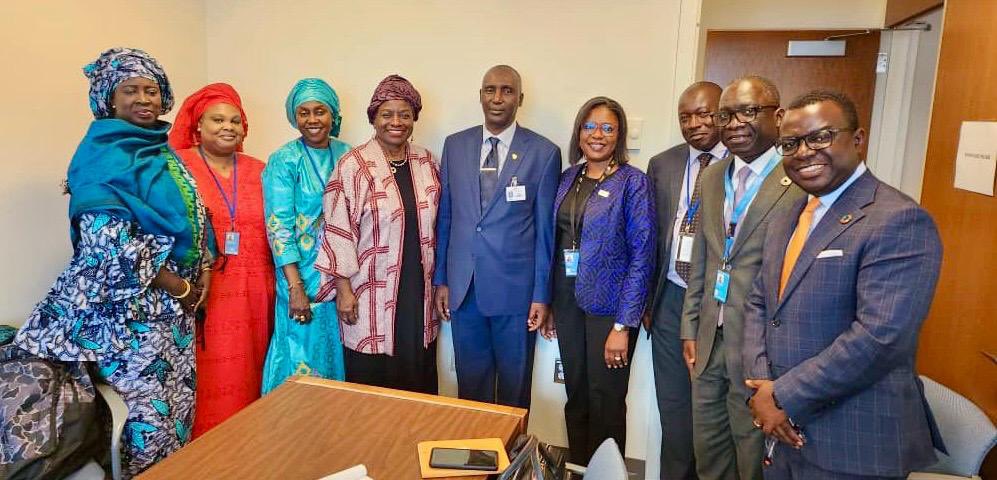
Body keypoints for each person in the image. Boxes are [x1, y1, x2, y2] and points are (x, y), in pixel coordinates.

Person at [14, 47, 212, 477]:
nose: (145, 99)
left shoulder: (159, 149)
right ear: (109, 98)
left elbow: (195, 213)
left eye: (152, 90)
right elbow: (107, 244)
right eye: (131, 90)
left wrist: (204, 270)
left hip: (172, 313)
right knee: (151, 422)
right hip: (129, 316)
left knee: (177, 414)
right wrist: (178, 286)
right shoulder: (101, 155)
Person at [742, 90, 944, 480]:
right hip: (779, 430)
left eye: (820, 137)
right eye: (791, 143)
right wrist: (761, 387)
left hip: (852, 440)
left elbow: (880, 337)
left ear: (857, 139)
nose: (803, 152)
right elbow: (758, 303)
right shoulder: (787, 214)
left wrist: (783, 395)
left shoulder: (898, 220)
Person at [680, 75, 805, 480]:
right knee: (709, 450)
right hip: (708, 342)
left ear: (778, 115)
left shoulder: (799, 179)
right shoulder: (714, 177)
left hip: (760, 349)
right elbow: (703, 256)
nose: (734, 124)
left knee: (753, 457)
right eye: (726, 115)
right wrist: (690, 326)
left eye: (748, 112)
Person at [433, 65, 561, 407]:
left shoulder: (544, 153)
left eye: (507, 90)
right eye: (490, 90)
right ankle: (474, 456)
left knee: (514, 390)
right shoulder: (455, 145)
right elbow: (446, 216)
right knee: (470, 388)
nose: (498, 98)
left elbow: (546, 232)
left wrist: (541, 295)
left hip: (516, 295)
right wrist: (442, 280)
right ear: (480, 96)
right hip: (465, 289)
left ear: (520, 98)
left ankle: (513, 459)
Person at [315, 75, 441, 393]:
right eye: (387, 114)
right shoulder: (353, 165)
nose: (396, 122)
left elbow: (444, 224)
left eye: (404, 114)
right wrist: (343, 290)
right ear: (374, 118)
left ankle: (414, 441)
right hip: (368, 293)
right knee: (372, 388)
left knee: (417, 380)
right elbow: (337, 231)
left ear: (414, 118)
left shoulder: (428, 162)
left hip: (417, 292)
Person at [551, 97, 655, 464]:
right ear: (579, 132)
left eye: (608, 128)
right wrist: (549, 303)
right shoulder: (568, 178)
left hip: (609, 309)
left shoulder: (633, 183)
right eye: (590, 126)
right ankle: (579, 468)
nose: (598, 135)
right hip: (567, 303)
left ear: (619, 135)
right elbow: (559, 242)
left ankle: (607, 473)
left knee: (607, 399)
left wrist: (623, 325)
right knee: (576, 393)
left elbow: (642, 255)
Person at [168, 83, 275, 437]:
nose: (228, 127)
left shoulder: (262, 170)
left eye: (235, 120)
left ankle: (248, 450)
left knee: (252, 371)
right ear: (197, 125)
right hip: (203, 291)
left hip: (259, 289)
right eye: (217, 119)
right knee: (211, 375)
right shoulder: (176, 167)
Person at [645, 81, 726, 480]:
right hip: (671, 299)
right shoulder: (663, 164)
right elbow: (650, 238)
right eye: (685, 117)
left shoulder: (740, 166)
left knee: (713, 415)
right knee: (673, 410)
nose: (694, 124)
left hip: (719, 306)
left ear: (724, 112)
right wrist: (646, 303)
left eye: (705, 113)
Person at [261, 78, 350, 392]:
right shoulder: (284, 160)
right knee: (301, 353)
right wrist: (295, 286)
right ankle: (292, 429)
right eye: (304, 113)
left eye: (320, 111)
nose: (313, 120)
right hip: (299, 275)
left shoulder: (347, 154)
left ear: (333, 114)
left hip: (340, 276)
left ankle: (334, 427)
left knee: (336, 351)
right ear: (293, 117)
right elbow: (278, 226)